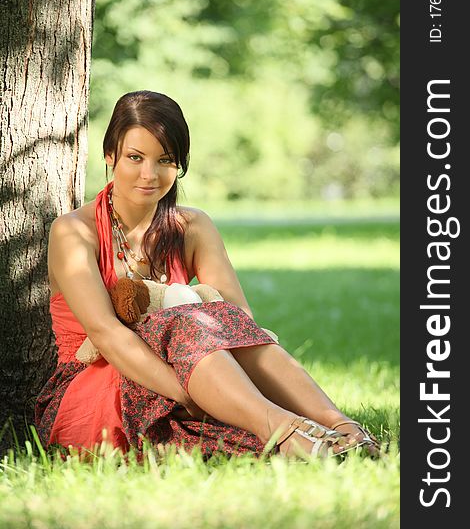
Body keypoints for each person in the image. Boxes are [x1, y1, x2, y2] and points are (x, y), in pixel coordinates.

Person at [35, 90, 379, 460]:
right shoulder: (73, 231)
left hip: (195, 371)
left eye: (165, 160)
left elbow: (238, 323)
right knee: (187, 323)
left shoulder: (193, 225)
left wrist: (204, 383)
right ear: (110, 156)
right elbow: (107, 334)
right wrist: (186, 392)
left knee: (214, 322)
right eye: (135, 157)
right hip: (104, 382)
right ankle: (284, 427)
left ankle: (339, 427)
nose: (149, 174)